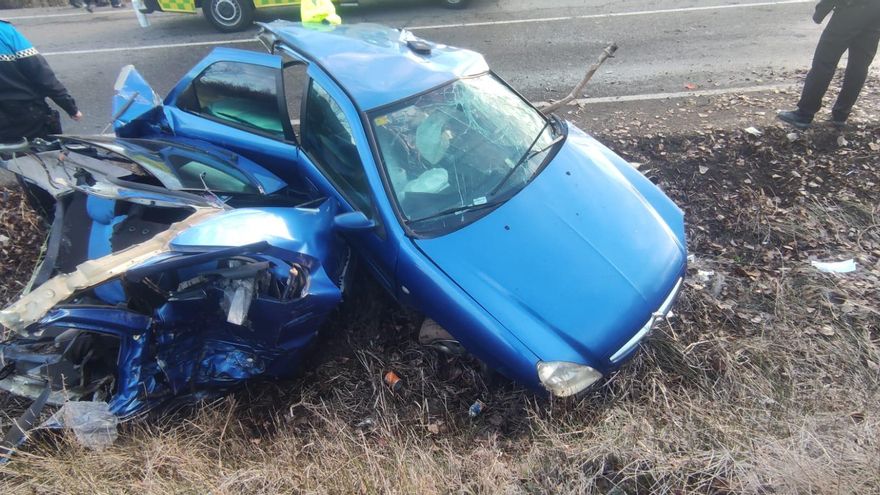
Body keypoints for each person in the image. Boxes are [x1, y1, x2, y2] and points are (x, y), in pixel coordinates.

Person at [778, 0, 880, 129]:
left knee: (824, 61)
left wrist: (822, 9)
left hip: (852, 8)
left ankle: (804, 113)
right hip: (876, 11)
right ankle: (841, 115)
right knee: (859, 65)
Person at [0, 20, 81, 142]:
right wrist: (70, 107)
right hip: (23, 114)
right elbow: (41, 74)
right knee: (39, 155)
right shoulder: (5, 31)